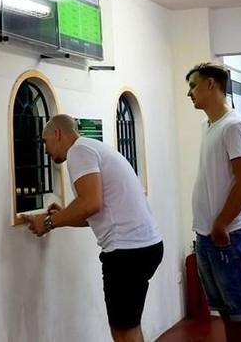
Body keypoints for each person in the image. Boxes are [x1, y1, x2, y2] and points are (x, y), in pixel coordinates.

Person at [23, 114, 162, 342]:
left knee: (123, 332)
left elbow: (90, 203)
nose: (45, 150)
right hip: (144, 247)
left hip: (127, 252)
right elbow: (94, 213)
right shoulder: (93, 147)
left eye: (45, 141)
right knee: (130, 327)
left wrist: (47, 223)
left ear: (57, 134)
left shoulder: (78, 151)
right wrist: (62, 216)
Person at [185, 63, 241, 342]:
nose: (189, 93)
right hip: (208, 238)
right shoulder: (208, 125)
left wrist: (222, 222)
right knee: (228, 315)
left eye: (193, 86)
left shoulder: (234, 126)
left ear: (211, 85)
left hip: (232, 237)